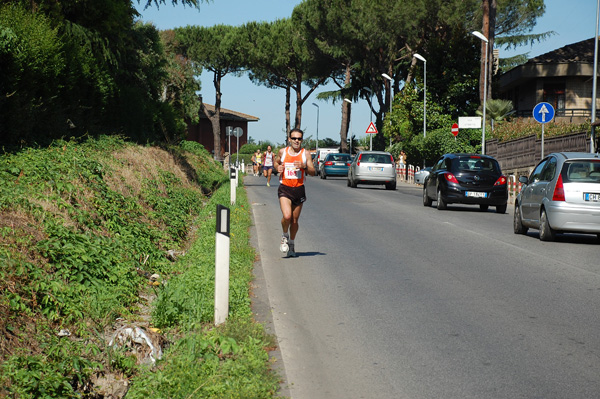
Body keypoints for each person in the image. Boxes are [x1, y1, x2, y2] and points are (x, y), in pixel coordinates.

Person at [274, 128, 316, 257]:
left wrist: (304, 166)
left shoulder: (306, 154)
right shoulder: (283, 152)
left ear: (302, 140)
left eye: (299, 139)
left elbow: (313, 172)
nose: (296, 141)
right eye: (294, 138)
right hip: (285, 188)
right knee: (287, 216)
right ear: (289, 139)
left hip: (298, 189)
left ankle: (292, 243)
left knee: (294, 220)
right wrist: (278, 167)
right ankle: (284, 236)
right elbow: (276, 162)